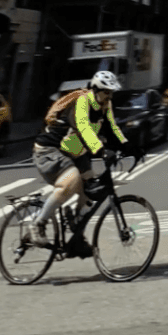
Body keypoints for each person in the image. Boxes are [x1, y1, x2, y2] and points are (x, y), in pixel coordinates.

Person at [29, 69, 131, 255]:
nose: (109, 96)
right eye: (106, 92)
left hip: (75, 151)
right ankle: (38, 224)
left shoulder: (105, 105)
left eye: (111, 92)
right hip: (50, 150)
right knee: (72, 179)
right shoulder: (82, 102)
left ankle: (77, 237)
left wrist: (127, 145)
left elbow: (112, 127)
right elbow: (83, 127)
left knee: (91, 192)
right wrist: (100, 149)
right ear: (95, 90)